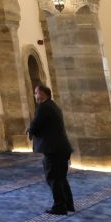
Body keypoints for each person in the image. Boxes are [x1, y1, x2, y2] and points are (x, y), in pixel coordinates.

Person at [27, 83, 75, 215]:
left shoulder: (43, 107)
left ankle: (59, 206)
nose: (35, 95)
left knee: (53, 177)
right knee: (61, 178)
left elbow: (36, 124)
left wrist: (30, 131)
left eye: (36, 93)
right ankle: (68, 204)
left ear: (42, 94)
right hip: (61, 148)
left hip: (53, 149)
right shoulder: (53, 105)